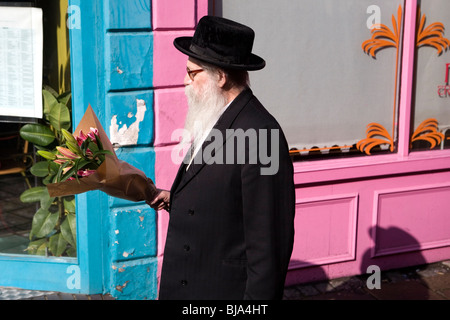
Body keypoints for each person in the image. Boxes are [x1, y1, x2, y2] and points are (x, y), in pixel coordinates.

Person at [150, 16, 295, 300]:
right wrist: (175, 198)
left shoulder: (262, 135)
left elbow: (269, 248)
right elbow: (221, 193)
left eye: (193, 73)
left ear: (221, 76)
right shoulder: (214, 114)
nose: (185, 81)